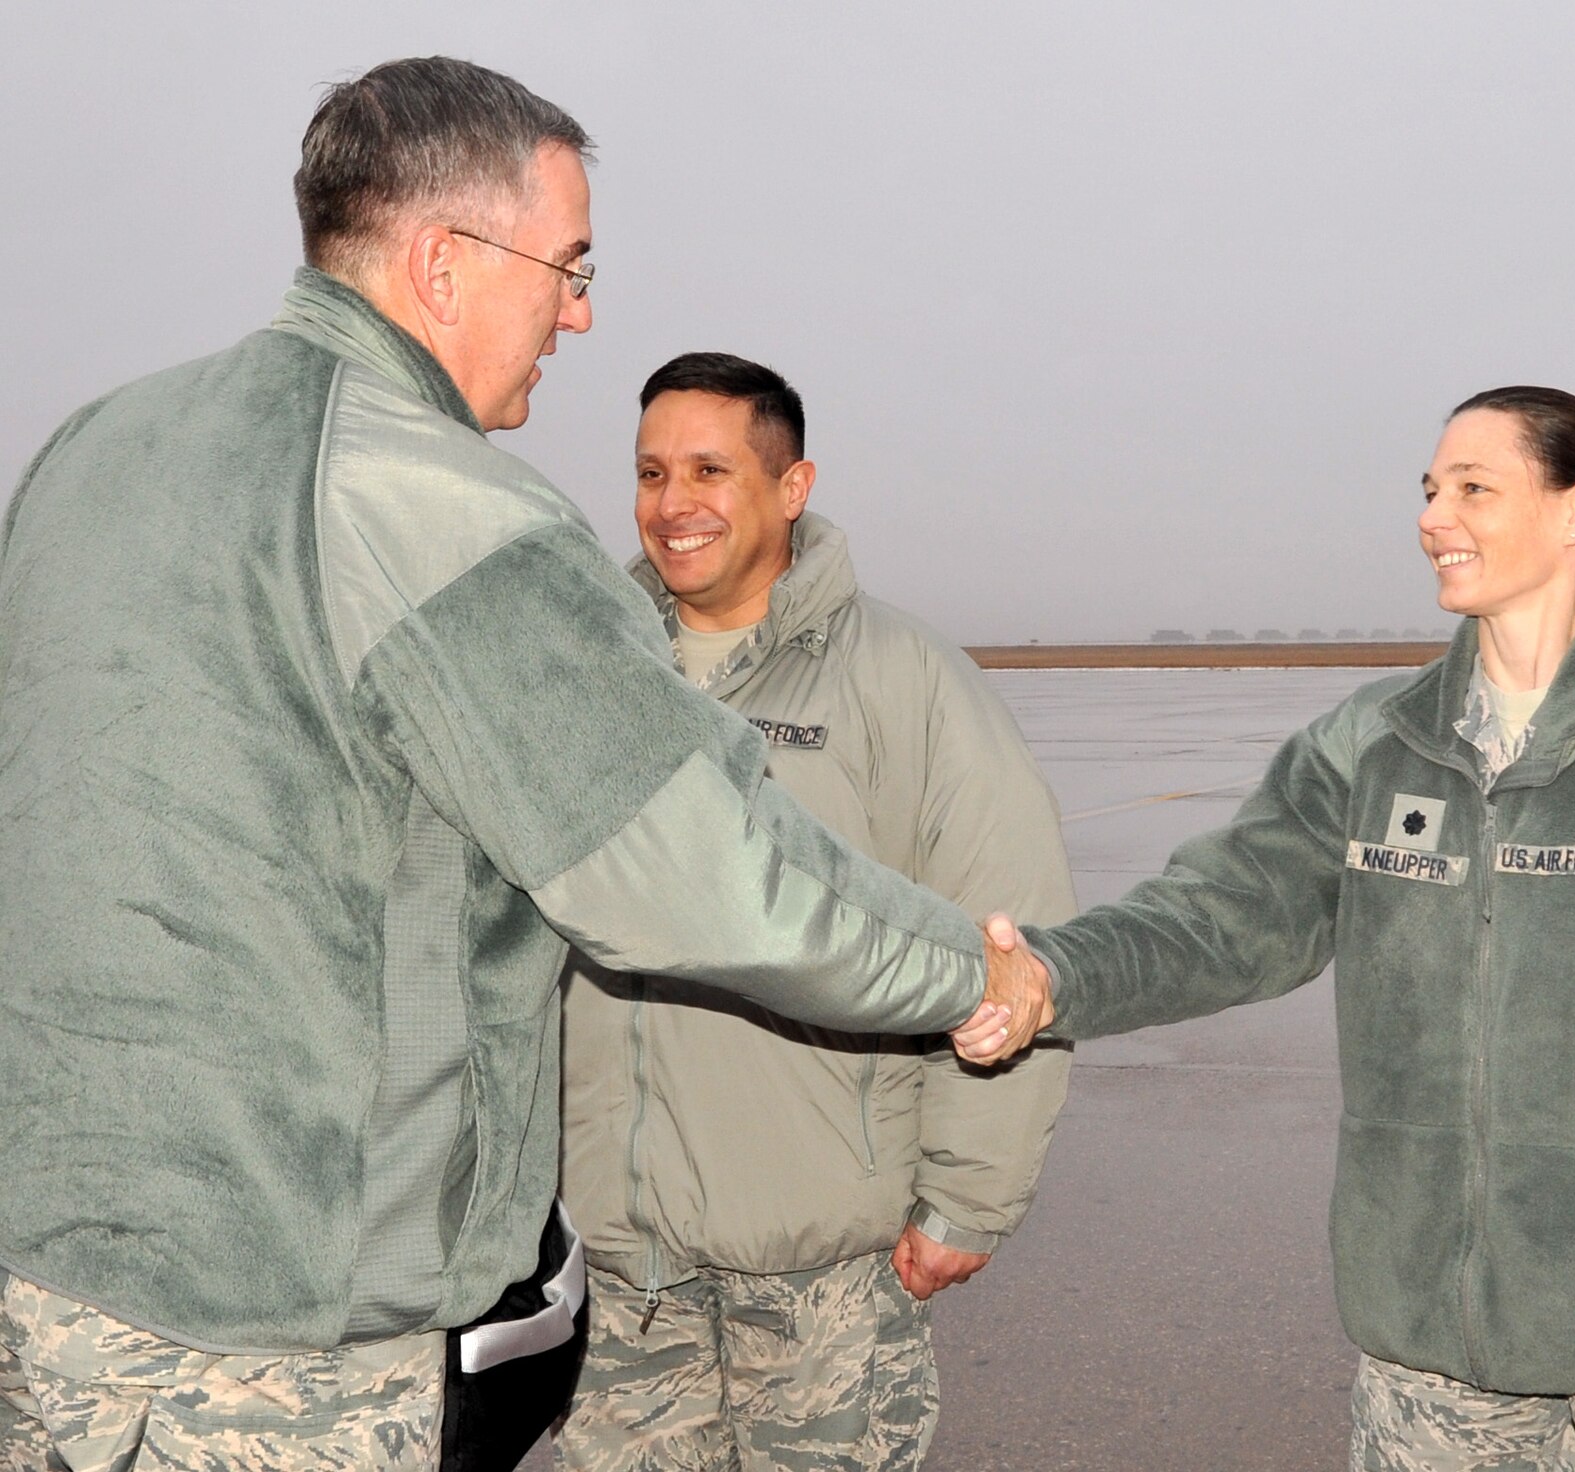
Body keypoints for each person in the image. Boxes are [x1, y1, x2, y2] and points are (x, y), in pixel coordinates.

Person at [0, 58, 1043, 1472]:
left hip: (49, 1313)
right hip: (291, 1360)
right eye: (567, 263)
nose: (582, 310)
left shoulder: (89, 453)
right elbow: (705, 878)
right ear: (441, 259)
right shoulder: (438, 506)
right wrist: (973, 975)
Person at [962, 387, 1575, 1469]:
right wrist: (1054, 973)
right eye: (1430, 489)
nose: (1433, 514)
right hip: (1427, 1354)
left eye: (1473, 488)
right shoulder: (1372, 741)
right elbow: (1219, 912)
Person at [555, 353, 1075, 1470]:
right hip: (620, 1270)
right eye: (649, 472)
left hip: (825, 1270)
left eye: (709, 469)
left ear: (791, 487)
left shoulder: (902, 680)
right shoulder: (587, 677)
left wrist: (969, 1197)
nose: (671, 503)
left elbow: (1014, 935)